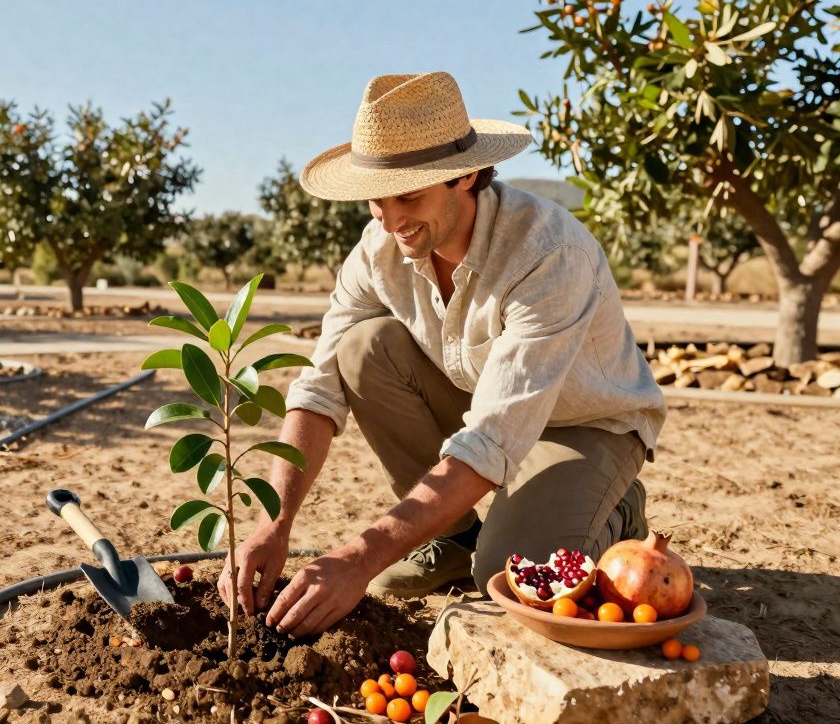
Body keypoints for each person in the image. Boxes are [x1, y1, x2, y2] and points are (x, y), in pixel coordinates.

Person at [217, 72, 666, 638]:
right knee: (363, 348)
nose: (390, 218)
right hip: (485, 405)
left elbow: (494, 439)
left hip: (583, 425)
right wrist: (274, 522)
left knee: (504, 575)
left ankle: (615, 503)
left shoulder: (549, 253)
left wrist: (360, 558)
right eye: (376, 199)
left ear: (467, 175)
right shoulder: (378, 246)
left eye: (409, 196)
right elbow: (320, 384)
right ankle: (449, 538)